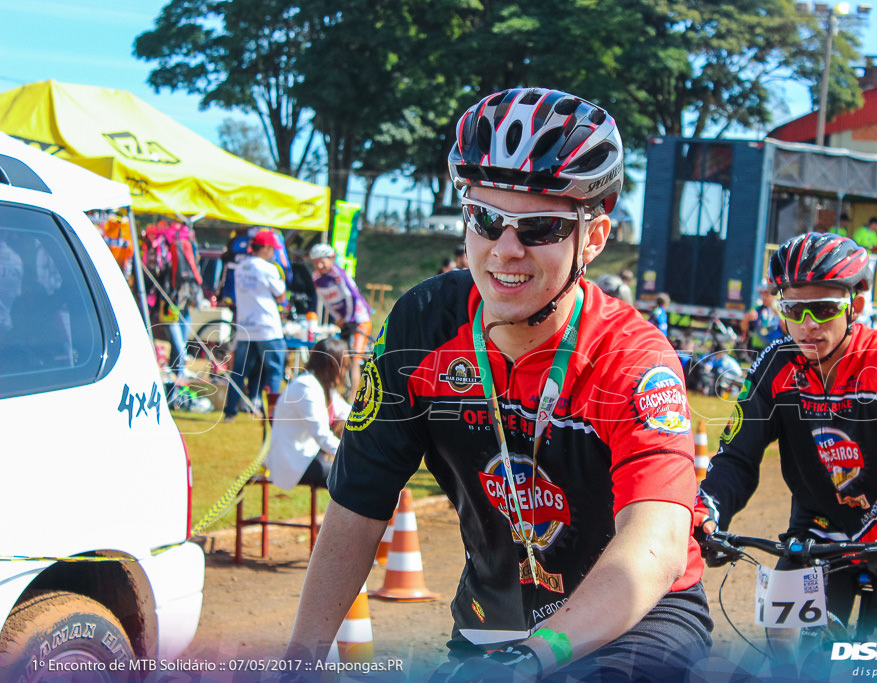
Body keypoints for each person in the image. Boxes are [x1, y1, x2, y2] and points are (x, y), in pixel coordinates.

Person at [288, 87, 711, 681]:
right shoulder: (420, 325)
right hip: (496, 616)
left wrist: (537, 655)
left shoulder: (632, 358)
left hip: (634, 618)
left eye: (539, 226)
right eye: (486, 218)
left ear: (591, 238)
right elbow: (356, 506)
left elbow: (656, 545)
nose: (505, 249)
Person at [696, 231, 877, 643]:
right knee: (782, 644)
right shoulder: (776, 365)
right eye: (793, 309)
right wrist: (706, 510)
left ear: (854, 306)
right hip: (817, 535)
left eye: (823, 309)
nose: (807, 327)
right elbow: (737, 454)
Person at [265, 337, 350, 489]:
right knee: (352, 475)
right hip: (293, 460)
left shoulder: (321, 386)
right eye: (344, 366)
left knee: (356, 474)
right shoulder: (306, 387)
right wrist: (355, 456)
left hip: (309, 455)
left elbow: (347, 412)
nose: (344, 372)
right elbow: (321, 434)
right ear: (331, 366)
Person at [222, 229, 288, 422]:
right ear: (266, 248)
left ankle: (229, 413)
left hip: (245, 327)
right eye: (272, 249)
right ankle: (273, 414)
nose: (274, 253)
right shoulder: (268, 268)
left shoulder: (242, 266)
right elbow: (281, 296)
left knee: (239, 371)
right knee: (275, 370)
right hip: (268, 328)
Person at [308, 243, 372, 402]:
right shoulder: (316, 277)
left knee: (355, 358)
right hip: (343, 321)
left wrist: (349, 318)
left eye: (323, 261)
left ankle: (353, 397)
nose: (319, 265)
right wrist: (337, 317)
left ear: (331, 259)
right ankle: (343, 390)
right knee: (343, 357)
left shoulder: (338, 274)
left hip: (359, 319)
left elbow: (352, 297)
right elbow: (325, 300)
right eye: (316, 262)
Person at [740, 280, 783, 356]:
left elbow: (787, 330)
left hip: (776, 348)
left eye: (767, 294)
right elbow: (744, 328)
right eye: (762, 294)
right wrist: (746, 319)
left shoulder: (781, 309)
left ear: (774, 295)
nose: (764, 297)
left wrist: (778, 314)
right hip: (758, 349)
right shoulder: (757, 309)